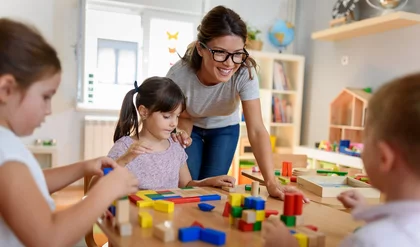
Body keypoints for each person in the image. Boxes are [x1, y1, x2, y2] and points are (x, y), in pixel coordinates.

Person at [0, 18, 139, 247]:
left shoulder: (6, 146)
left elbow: (28, 185)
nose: (48, 110)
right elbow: (49, 237)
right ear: (6, 89)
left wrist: (83, 167)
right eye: (46, 96)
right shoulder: (7, 157)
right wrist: (105, 191)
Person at [167, 5, 308, 201]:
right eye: (220, 52)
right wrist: (180, 136)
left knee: (213, 189)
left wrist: (271, 183)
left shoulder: (244, 73)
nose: (229, 63)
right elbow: (181, 116)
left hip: (224, 128)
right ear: (200, 48)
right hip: (190, 126)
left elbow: (257, 130)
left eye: (237, 54)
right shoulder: (179, 76)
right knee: (189, 187)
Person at [262, 73, 420, 247]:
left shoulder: (366, 241)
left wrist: (288, 245)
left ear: (384, 157)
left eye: (364, 139)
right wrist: (364, 210)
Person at [100, 76, 236, 190]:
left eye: (177, 116)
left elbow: (186, 185)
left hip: (170, 218)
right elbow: (99, 187)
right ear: (144, 112)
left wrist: (208, 182)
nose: (174, 123)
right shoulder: (124, 148)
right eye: (167, 116)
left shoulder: (175, 146)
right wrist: (125, 159)